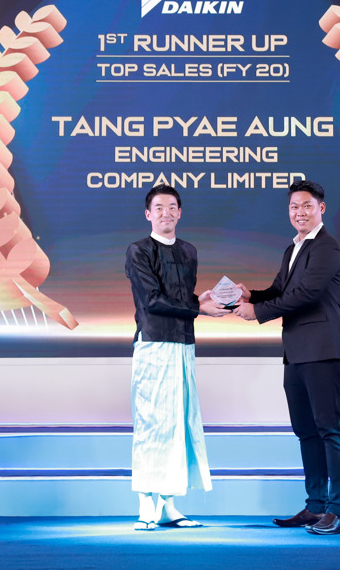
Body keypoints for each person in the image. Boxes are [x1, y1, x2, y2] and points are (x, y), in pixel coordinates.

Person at [234, 179, 340, 535]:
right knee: (306, 431)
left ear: (321, 208)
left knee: (330, 428)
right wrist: (251, 295)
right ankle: (315, 506)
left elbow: (305, 294)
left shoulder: (327, 247)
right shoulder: (293, 248)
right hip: (296, 352)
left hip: (323, 349)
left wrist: (257, 312)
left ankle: (338, 511)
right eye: (294, 207)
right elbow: (280, 290)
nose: (299, 212)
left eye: (306, 205)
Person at [125, 184, 228, 531]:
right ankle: (145, 504)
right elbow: (153, 300)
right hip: (154, 344)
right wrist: (199, 307)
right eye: (159, 207)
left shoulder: (188, 251)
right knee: (152, 423)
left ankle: (169, 505)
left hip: (183, 344)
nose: (165, 213)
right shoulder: (138, 250)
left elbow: (182, 297)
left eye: (172, 207)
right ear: (148, 214)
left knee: (180, 423)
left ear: (180, 213)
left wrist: (201, 299)